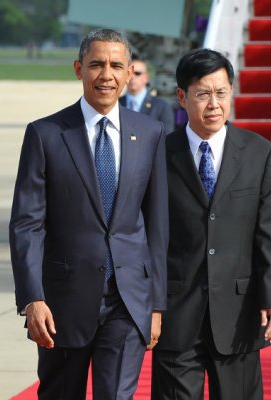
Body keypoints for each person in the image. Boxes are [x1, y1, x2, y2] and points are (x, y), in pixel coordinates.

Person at [10, 28, 168, 399]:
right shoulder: (45, 134)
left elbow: (158, 227)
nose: (106, 75)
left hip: (127, 301)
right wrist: (32, 299)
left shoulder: (150, 133)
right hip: (62, 302)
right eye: (96, 64)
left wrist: (157, 304)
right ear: (78, 68)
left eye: (116, 65)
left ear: (130, 73)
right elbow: (26, 224)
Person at [151, 48, 271, 399]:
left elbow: (267, 233)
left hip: (238, 313)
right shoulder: (158, 152)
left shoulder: (259, 152)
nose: (214, 103)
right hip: (176, 313)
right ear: (181, 97)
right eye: (203, 94)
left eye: (222, 93)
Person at [119, 57, 175, 133]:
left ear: (146, 78)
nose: (132, 77)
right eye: (129, 73)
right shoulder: (116, 104)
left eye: (137, 73)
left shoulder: (162, 107)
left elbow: (167, 138)